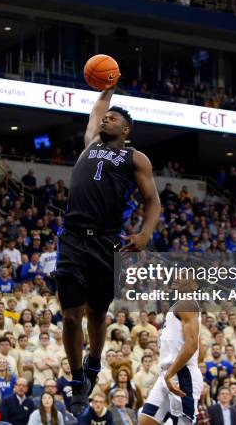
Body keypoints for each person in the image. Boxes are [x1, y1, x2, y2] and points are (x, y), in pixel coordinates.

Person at [55, 86, 161, 414]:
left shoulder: (135, 158)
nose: (106, 120)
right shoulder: (90, 145)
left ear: (125, 130)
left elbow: (152, 200)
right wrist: (108, 88)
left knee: (97, 313)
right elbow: (96, 110)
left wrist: (145, 233)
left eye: (113, 118)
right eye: (106, 117)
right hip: (72, 237)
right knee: (71, 317)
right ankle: (76, 381)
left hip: (106, 240)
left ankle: (95, 361)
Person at [140, 279, 202, 425]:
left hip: (181, 374)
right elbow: (199, 346)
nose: (177, 277)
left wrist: (170, 373)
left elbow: (192, 345)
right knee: (146, 421)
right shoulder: (179, 306)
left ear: (194, 286)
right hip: (169, 373)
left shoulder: (187, 303)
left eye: (184, 275)